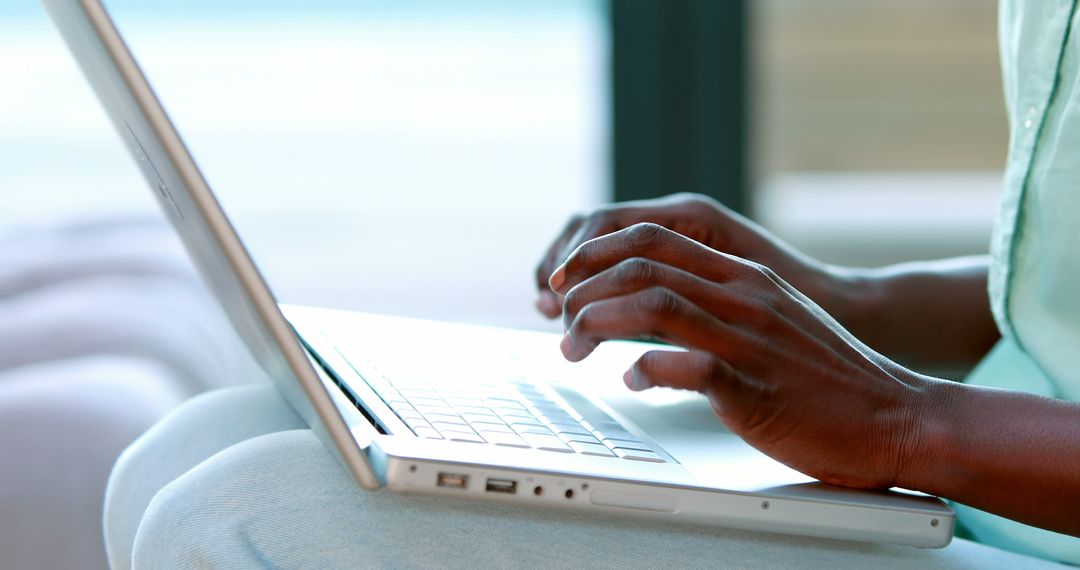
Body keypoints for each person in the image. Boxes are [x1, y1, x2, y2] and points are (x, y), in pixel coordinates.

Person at [104, 1, 1080, 567]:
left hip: (1026, 510)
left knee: (238, 511)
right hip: (968, 466)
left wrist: (903, 420)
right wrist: (842, 305)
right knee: (197, 445)